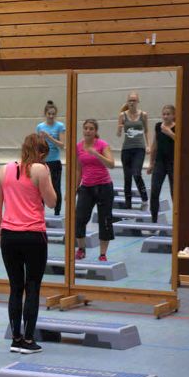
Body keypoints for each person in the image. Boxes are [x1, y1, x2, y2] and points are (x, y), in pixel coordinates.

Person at [0, 133, 57, 354]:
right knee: (32, 287)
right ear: (41, 153)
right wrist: (48, 177)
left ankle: (16, 339)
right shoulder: (40, 169)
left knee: (15, 287)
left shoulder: (3, 170)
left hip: (9, 234)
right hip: (33, 235)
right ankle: (28, 340)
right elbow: (52, 202)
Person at [75, 119, 116, 261]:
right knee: (79, 219)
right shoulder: (78, 146)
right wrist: (75, 188)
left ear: (95, 131)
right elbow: (78, 169)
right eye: (85, 128)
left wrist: (96, 154)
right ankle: (81, 249)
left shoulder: (102, 145)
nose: (88, 131)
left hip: (104, 187)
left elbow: (111, 164)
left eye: (91, 128)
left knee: (105, 220)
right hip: (86, 187)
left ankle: (102, 254)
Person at [117, 92, 149, 210]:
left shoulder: (143, 115)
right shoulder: (122, 115)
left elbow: (146, 130)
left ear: (138, 101)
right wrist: (119, 128)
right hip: (126, 149)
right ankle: (128, 204)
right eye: (130, 100)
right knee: (127, 177)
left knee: (136, 173)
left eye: (134, 100)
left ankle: (145, 200)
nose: (132, 102)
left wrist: (148, 145)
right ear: (127, 102)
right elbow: (118, 134)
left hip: (139, 148)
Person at [147, 105, 177, 224]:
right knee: (155, 190)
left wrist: (169, 133)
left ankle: (176, 221)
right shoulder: (158, 126)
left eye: (168, 114)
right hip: (160, 163)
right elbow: (154, 146)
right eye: (164, 114)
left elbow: (181, 142)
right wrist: (151, 163)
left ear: (174, 115)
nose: (165, 116)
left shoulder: (177, 127)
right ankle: (154, 219)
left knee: (174, 192)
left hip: (173, 163)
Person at [35, 100, 65, 216]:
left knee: (56, 187)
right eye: (49, 114)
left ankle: (57, 212)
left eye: (53, 114)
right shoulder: (40, 127)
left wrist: (49, 137)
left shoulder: (60, 126)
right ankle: (40, 212)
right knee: (40, 188)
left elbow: (62, 145)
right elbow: (37, 145)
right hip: (42, 162)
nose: (51, 116)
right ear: (45, 114)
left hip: (55, 161)